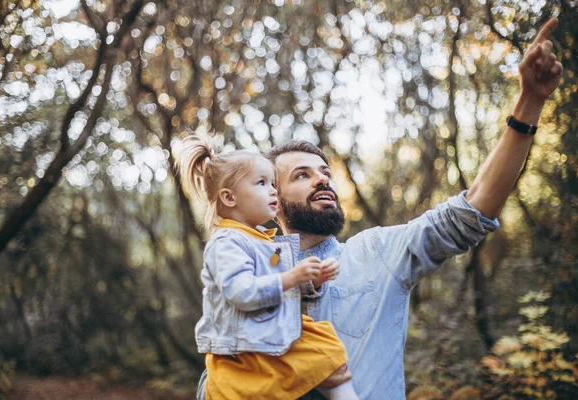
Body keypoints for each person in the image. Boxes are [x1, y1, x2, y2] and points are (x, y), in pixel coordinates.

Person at [195, 17, 564, 400]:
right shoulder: (245, 273)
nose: (322, 180)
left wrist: (529, 104)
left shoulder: (378, 252)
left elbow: (471, 210)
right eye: (301, 176)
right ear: (274, 200)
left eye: (325, 173)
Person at [178, 136, 359, 400]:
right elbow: (242, 292)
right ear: (229, 198)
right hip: (245, 341)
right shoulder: (227, 243)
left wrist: (310, 281)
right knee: (325, 353)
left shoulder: (260, 238)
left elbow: (272, 281)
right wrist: (293, 276)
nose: (273, 191)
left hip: (265, 330)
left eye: (274, 184)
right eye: (262, 183)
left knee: (327, 349)